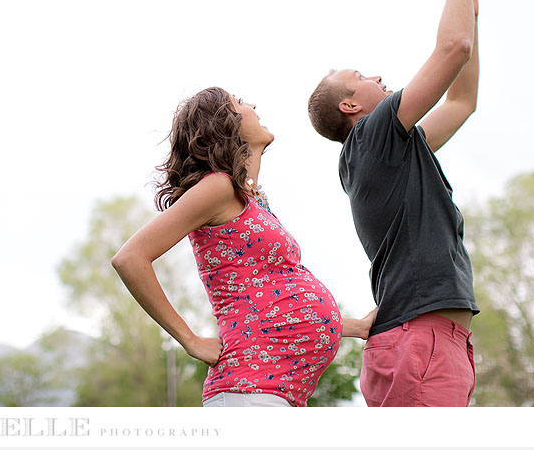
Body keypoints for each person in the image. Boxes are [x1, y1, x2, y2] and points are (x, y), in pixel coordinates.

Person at [306, 0, 480, 407]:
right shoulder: (372, 135)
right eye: (360, 75)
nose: (376, 74)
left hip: (429, 342)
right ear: (350, 106)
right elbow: (452, 49)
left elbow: (462, 100)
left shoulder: (391, 152)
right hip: (419, 342)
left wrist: (470, 5)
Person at [112, 87, 377, 407]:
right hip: (248, 390)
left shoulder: (252, 199)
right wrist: (190, 340)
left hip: (276, 393)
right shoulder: (218, 187)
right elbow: (130, 258)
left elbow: (267, 297)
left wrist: (351, 326)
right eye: (240, 102)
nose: (252, 104)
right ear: (223, 125)